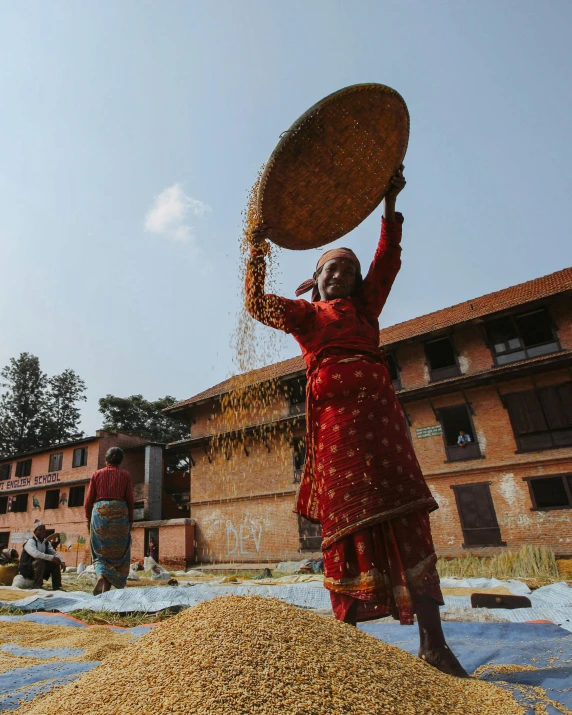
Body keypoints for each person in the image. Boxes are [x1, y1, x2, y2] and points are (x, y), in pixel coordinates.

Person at [246, 167, 467, 678]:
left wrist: (389, 205)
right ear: (316, 284)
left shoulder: (367, 309)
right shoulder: (305, 318)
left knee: (408, 516)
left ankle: (433, 643)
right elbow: (256, 305)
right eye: (330, 270)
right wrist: (257, 249)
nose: (340, 274)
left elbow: (386, 260)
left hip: (382, 425)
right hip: (337, 431)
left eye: (347, 268)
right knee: (347, 526)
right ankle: (345, 653)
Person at [85, 446, 134, 595]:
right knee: (119, 553)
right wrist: (130, 520)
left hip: (100, 514)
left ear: (106, 459)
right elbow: (130, 500)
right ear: (120, 461)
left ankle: (101, 577)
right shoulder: (125, 475)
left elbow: (88, 500)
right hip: (120, 514)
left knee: (101, 552)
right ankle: (107, 591)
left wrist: (88, 518)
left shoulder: (96, 474)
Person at [18, 521, 66, 590]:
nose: (43, 531)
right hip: (28, 569)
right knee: (40, 561)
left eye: (44, 529)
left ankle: (57, 587)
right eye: (40, 530)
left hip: (40, 569)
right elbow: (35, 554)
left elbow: (54, 553)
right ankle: (37, 586)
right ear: (35, 532)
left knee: (55, 563)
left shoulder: (46, 542)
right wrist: (52, 558)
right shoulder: (30, 542)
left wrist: (61, 561)